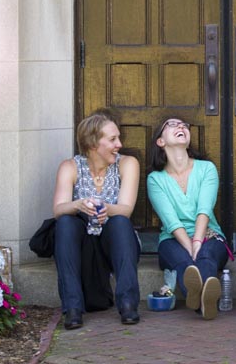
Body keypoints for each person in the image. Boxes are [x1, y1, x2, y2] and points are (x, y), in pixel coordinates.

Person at [52, 109, 141, 330]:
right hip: (82, 245)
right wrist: (79, 205)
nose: (119, 144)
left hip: (114, 242)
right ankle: (72, 309)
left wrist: (107, 209)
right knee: (64, 222)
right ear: (93, 144)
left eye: (118, 138)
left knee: (120, 221)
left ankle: (128, 304)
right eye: (112, 139)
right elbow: (58, 208)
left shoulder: (127, 163)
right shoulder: (70, 167)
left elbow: (126, 209)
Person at [146, 115, 230, 319]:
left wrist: (198, 241)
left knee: (206, 256)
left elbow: (204, 209)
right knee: (185, 263)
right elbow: (171, 221)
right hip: (173, 240)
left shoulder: (206, 168)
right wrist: (189, 245)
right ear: (161, 141)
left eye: (184, 125)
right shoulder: (155, 179)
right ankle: (205, 302)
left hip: (209, 235)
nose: (181, 126)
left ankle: (199, 300)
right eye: (172, 124)